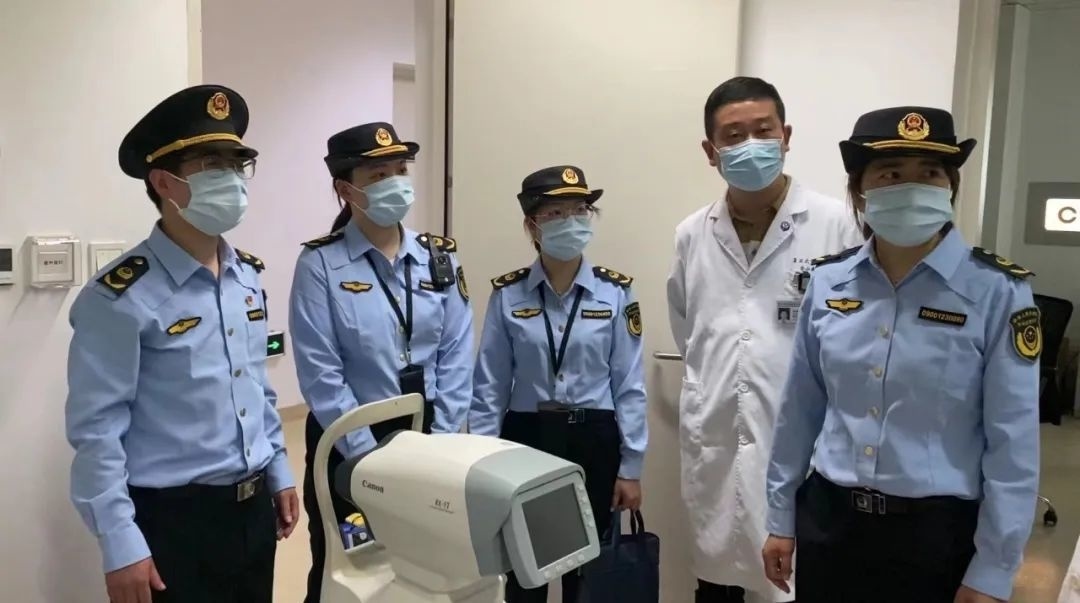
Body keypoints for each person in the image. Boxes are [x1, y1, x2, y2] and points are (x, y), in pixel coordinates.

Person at [762, 106, 1041, 603]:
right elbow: (799, 411)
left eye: (929, 173)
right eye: (890, 173)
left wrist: (993, 569)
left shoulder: (997, 291)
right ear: (860, 191)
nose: (911, 187)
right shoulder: (828, 283)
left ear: (950, 186)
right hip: (831, 524)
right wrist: (780, 516)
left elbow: (1012, 443)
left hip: (936, 537)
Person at [65, 85, 298, 603]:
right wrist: (119, 541)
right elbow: (98, 430)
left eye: (237, 163)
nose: (231, 178)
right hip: (173, 523)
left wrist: (279, 469)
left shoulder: (245, 277)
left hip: (253, 509)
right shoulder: (118, 297)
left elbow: (256, 386)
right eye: (212, 164)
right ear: (164, 182)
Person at [666, 76, 863, 603]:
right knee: (718, 584)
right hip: (717, 442)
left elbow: (853, 342)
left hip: (805, 449)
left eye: (763, 130)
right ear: (710, 151)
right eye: (733, 136)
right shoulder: (691, 235)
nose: (750, 145)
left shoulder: (835, 225)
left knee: (797, 585)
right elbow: (689, 333)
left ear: (786, 136)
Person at [290, 121, 474, 603]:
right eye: (377, 176)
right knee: (353, 569)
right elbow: (321, 373)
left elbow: (457, 353)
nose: (395, 183)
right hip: (350, 438)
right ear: (345, 190)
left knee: (425, 566)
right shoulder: (320, 265)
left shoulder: (439, 257)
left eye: (399, 170)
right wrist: (369, 461)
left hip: (429, 434)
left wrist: (441, 441)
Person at [470, 165, 648, 602]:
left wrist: (631, 467)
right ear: (532, 225)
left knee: (587, 574)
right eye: (555, 213)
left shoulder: (615, 293)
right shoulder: (508, 295)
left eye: (579, 210)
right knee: (524, 571)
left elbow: (629, 384)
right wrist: (481, 462)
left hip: (594, 439)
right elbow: (490, 386)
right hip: (525, 441)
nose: (570, 221)